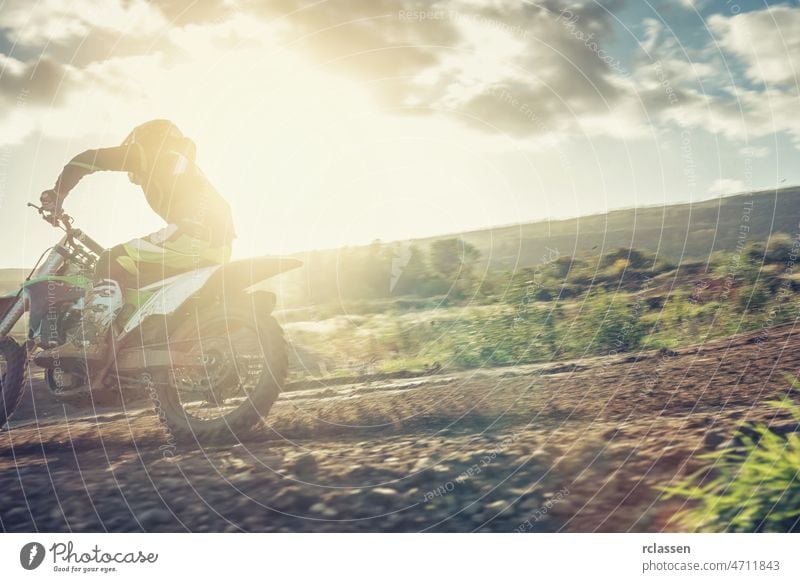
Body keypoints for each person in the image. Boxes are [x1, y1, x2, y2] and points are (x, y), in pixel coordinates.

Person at [35, 119, 236, 364]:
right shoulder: (182, 162)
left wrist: (58, 193)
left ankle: (86, 341)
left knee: (112, 258)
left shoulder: (153, 152)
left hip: (193, 236)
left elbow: (87, 159)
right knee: (134, 278)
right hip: (218, 246)